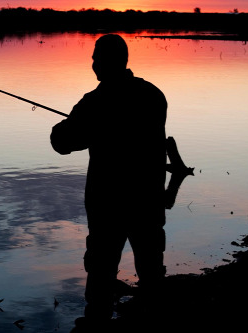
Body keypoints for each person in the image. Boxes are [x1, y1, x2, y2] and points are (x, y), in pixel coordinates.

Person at [50, 34, 167, 330]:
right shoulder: (153, 95)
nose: (92, 63)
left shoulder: (95, 102)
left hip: (107, 203)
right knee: (152, 270)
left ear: (106, 61)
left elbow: (63, 142)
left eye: (95, 57)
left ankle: (97, 322)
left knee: (101, 274)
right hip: (148, 198)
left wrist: (62, 127)